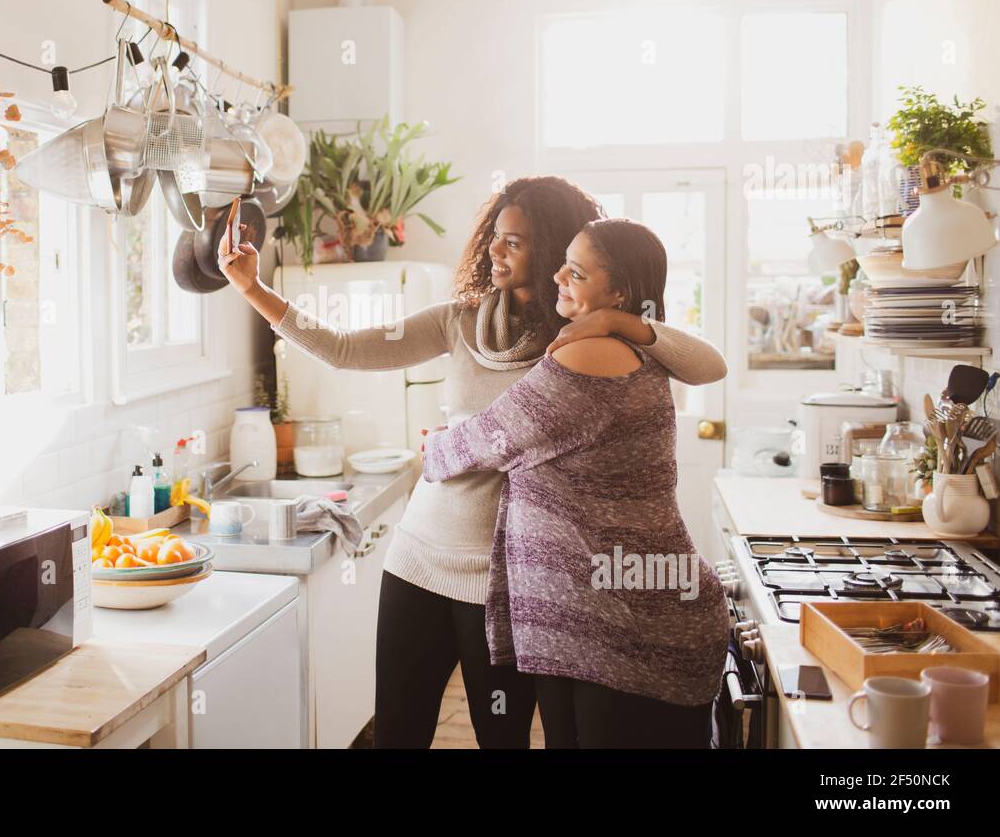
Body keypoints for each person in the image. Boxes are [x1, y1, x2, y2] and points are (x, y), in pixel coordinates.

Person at [218, 178, 726, 748]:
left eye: (516, 242)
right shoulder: (460, 320)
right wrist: (253, 288)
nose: (495, 251)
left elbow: (707, 365)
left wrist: (623, 322)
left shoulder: (583, 337)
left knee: (500, 736)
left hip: (506, 581)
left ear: (559, 250)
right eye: (495, 237)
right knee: (398, 732)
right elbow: (344, 348)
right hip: (418, 557)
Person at [421, 218, 730, 748]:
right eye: (564, 260)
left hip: (624, 622)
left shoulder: (587, 355)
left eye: (577, 271)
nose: (558, 275)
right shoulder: (631, 346)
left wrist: (432, 447)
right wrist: (618, 319)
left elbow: (487, 440)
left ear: (618, 291)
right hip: (617, 613)